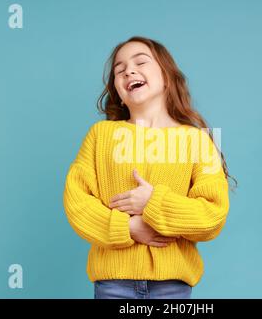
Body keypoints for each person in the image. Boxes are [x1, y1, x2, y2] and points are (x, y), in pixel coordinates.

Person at [63, 36, 237, 299]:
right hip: (112, 285)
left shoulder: (196, 140)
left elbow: (212, 215)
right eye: (119, 70)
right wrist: (128, 227)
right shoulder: (100, 135)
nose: (129, 71)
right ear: (119, 92)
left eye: (140, 62)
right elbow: (77, 203)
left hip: (172, 288)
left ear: (167, 76)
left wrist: (152, 202)